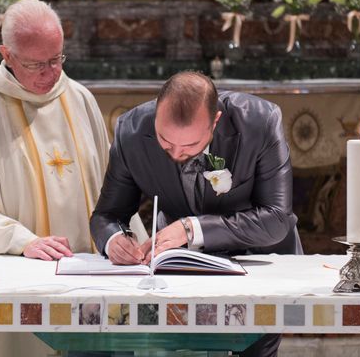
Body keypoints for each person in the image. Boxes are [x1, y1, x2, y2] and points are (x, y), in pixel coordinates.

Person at [0, 0, 112, 356]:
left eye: (57, 59)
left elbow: (112, 187)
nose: (50, 73)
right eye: (36, 64)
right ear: (7, 55)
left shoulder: (80, 99)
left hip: (92, 280)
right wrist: (22, 240)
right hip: (22, 277)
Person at [90, 71, 302, 357]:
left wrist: (191, 228)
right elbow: (106, 215)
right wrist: (114, 239)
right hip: (180, 273)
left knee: (255, 350)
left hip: (258, 262)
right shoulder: (131, 131)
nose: (176, 153)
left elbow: (276, 219)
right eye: (165, 141)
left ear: (215, 121)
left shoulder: (260, 122)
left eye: (190, 145)